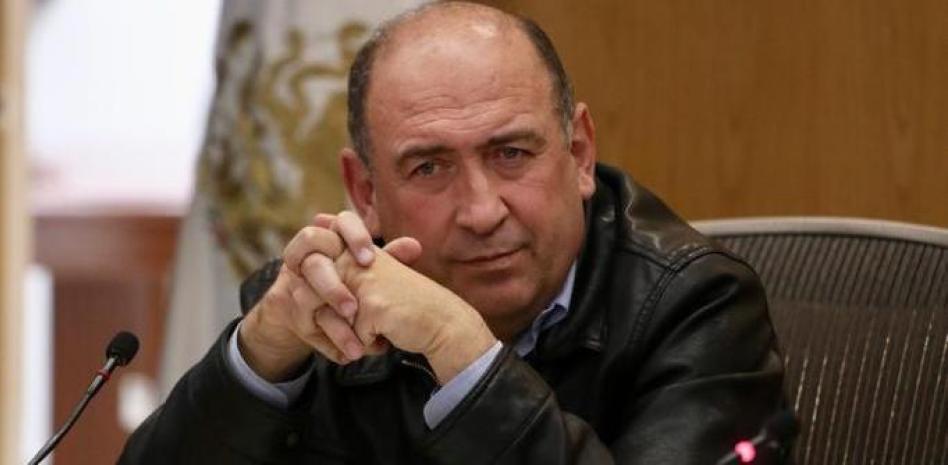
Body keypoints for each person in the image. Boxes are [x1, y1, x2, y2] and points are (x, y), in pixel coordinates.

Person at [119, 2, 785, 464]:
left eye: (511, 153)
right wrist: (257, 358)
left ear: (579, 154)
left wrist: (459, 348)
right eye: (429, 167)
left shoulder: (699, 307)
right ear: (366, 193)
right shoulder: (325, 303)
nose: (481, 211)